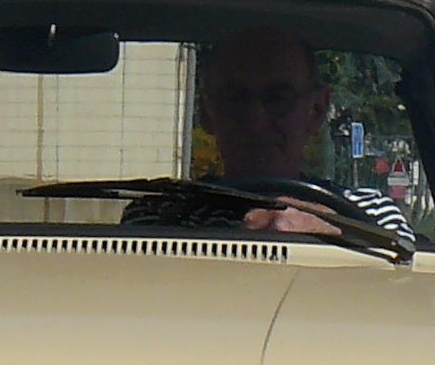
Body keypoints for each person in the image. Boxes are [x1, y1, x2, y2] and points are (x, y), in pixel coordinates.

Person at [142, 25, 413, 242]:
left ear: (317, 110)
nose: (256, 121)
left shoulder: (372, 214)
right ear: (206, 112)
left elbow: (404, 274)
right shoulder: (161, 216)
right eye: (235, 98)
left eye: (279, 98)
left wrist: (338, 230)